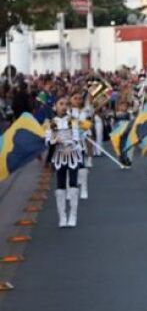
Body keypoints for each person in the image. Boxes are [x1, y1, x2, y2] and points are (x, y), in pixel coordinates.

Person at [47, 96, 83, 228]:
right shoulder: (52, 122)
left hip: (72, 155)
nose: (63, 106)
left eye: (66, 104)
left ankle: (73, 215)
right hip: (59, 156)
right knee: (60, 185)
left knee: (73, 184)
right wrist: (55, 141)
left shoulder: (72, 121)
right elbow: (48, 139)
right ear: (55, 106)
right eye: (61, 104)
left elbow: (76, 137)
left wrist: (69, 144)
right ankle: (62, 216)